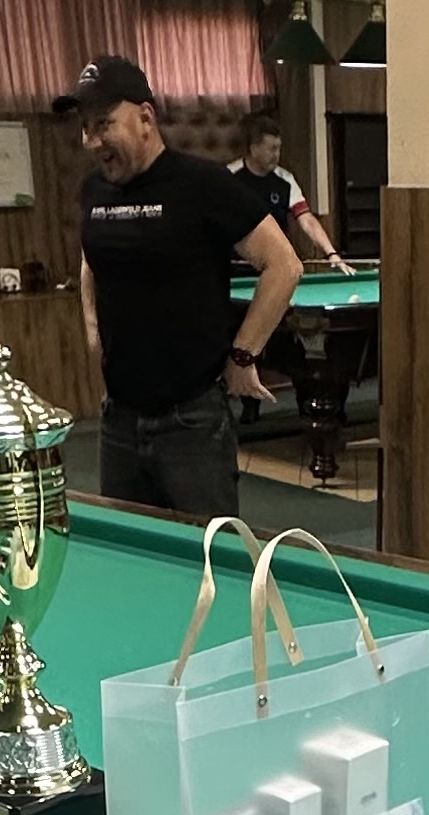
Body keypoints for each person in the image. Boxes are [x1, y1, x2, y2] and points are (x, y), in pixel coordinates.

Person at [75, 54, 299, 520]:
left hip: (191, 422)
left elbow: (283, 264)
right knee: (132, 554)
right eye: (86, 127)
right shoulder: (94, 191)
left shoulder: (203, 184)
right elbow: (90, 259)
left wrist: (243, 356)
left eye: (103, 124)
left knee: (210, 555)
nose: (92, 141)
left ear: (145, 118)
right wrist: (92, 328)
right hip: (119, 421)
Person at [226, 119, 342, 267]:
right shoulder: (228, 177)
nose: (276, 155)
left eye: (279, 149)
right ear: (254, 149)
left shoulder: (285, 180)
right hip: (236, 266)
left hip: (276, 265)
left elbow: (306, 219)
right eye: (272, 149)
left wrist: (331, 253)